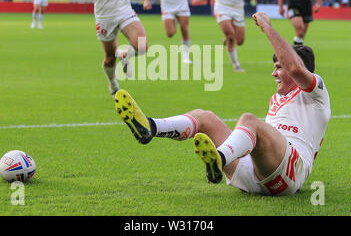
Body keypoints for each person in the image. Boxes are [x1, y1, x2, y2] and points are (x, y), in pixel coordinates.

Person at [113, 11, 331, 196]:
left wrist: (267, 27)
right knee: (204, 117)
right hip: (256, 173)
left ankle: (220, 158)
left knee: (249, 121)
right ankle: (150, 127)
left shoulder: (315, 93)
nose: (273, 73)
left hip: (290, 174)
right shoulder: (277, 98)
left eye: (278, 67)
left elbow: (294, 68)